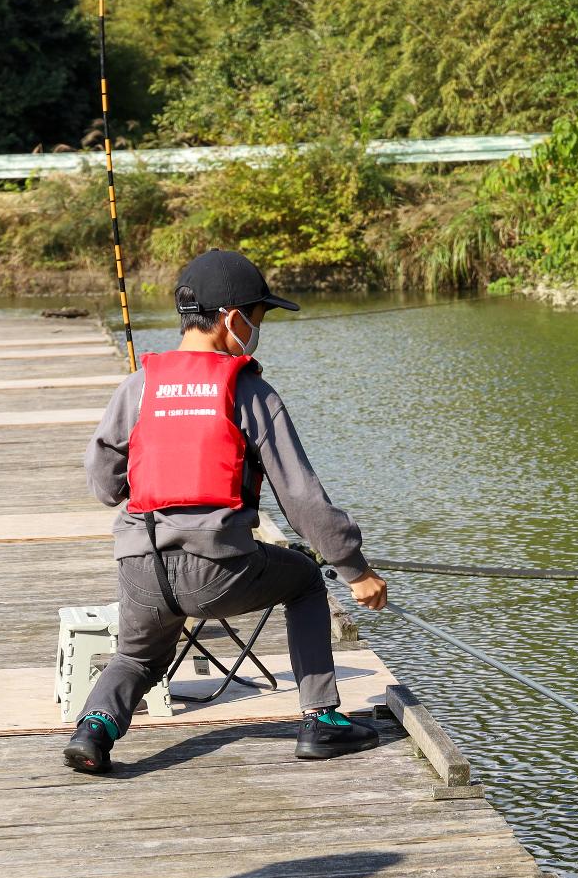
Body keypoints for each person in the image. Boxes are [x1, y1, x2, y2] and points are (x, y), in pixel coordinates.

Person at [63, 248, 390, 774]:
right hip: (218, 572)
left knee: (138, 656)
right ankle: (320, 720)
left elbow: (104, 484)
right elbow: (302, 500)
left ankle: (94, 728)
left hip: (141, 565)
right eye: (259, 319)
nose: (259, 331)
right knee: (305, 578)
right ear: (234, 319)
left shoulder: (140, 386)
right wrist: (356, 570)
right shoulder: (251, 392)